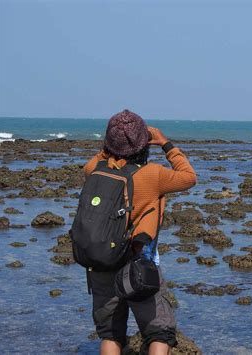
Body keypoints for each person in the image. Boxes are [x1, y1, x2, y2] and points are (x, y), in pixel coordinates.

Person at [83, 109, 197, 355]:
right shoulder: (152, 174)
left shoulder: (96, 169)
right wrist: (166, 143)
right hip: (138, 263)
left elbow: (95, 161)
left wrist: (111, 145)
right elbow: (189, 177)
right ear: (143, 143)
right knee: (160, 331)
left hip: (101, 261)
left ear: (109, 142)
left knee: (111, 333)